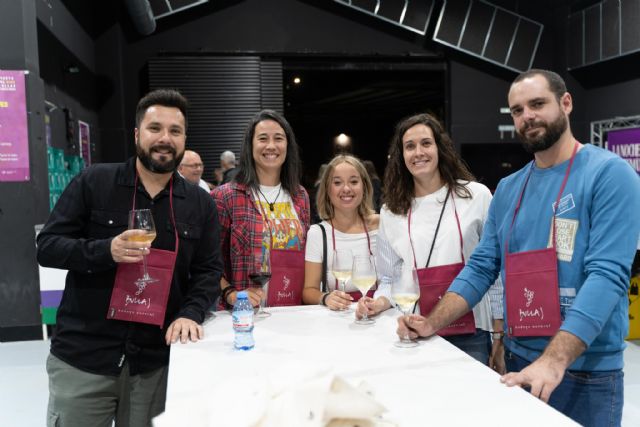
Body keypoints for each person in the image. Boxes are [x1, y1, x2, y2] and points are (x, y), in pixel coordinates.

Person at [397, 69, 640, 426]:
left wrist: (553, 360)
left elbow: (607, 276)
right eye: (517, 110)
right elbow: (481, 267)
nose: (527, 116)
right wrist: (432, 322)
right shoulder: (509, 188)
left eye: (537, 104)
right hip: (518, 361)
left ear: (566, 103)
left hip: (585, 372)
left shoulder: (610, 175)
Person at [36, 89, 223, 426]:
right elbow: (48, 246)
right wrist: (105, 250)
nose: (164, 139)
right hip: (84, 359)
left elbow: (208, 271)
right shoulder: (94, 182)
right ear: (137, 134)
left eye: (175, 131)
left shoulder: (200, 204)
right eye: (155, 128)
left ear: (184, 140)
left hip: (155, 365)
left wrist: (191, 313)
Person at [357, 113, 503, 366]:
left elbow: (495, 271)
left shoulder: (476, 196)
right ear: (401, 156)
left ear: (440, 148)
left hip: (473, 331)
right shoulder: (391, 211)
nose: (418, 152)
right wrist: (378, 303)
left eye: (426, 143)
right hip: (415, 328)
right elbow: (390, 278)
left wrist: (499, 330)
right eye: (410, 146)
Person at [212, 110, 310, 309]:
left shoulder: (300, 196)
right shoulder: (226, 197)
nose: (271, 146)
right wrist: (231, 294)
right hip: (246, 315)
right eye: (263, 139)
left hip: (293, 312)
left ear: (288, 145)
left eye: (279, 139)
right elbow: (208, 261)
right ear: (250, 146)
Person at [303, 155, 379, 309]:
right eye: (337, 182)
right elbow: (308, 291)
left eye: (354, 181)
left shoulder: (380, 226)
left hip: (378, 316)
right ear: (327, 190)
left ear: (364, 187)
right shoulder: (318, 233)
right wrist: (325, 298)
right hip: (338, 319)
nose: (346, 189)